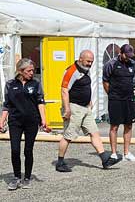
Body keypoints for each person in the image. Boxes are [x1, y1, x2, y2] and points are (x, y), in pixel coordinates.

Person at [56, 50, 122, 173]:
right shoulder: (71, 71)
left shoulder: (86, 69)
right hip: (74, 107)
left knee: (94, 132)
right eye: (88, 61)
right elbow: (64, 90)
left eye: (91, 62)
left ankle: (104, 160)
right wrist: (67, 109)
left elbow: (85, 86)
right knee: (68, 136)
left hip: (85, 107)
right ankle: (60, 162)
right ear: (80, 59)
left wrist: (90, 101)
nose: (90, 64)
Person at [0, 58, 48, 190]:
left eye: (33, 70)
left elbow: (40, 102)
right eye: (29, 70)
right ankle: (16, 177)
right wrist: (1, 121)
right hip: (15, 121)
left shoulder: (36, 84)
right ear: (21, 71)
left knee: (28, 150)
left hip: (31, 121)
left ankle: (27, 177)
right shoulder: (10, 84)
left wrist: (43, 119)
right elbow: (7, 105)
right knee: (15, 150)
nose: (32, 73)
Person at [103, 44, 135, 162]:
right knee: (114, 126)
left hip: (128, 99)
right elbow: (105, 81)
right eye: (126, 55)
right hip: (115, 99)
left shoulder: (132, 64)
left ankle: (126, 153)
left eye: (130, 55)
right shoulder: (111, 64)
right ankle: (113, 153)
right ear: (121, 53)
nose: (128, 58)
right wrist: (112, 94)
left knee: (129, 125)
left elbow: (132, 80)